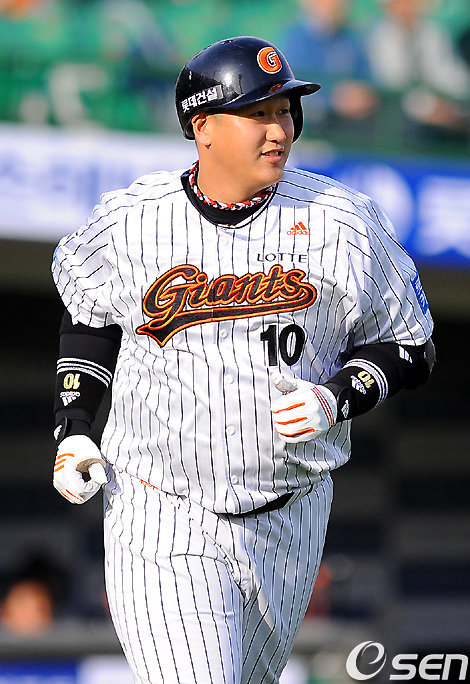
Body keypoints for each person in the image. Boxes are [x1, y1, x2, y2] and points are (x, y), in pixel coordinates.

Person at [51, 36, 435, 684]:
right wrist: (74, 427)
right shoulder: (132, 221)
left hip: (291, 512)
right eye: (257, 113)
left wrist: (338, 396)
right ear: (202, 126)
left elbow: (411, 345)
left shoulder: (342, 220)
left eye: (284, 111)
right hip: (161, 508)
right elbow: (89, 314)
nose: (278, 129)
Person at [366, 0, 470, 142]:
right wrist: (428, 106)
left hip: (442, 107)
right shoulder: (377, 36)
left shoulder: (433, 32)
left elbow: (449, 72)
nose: (408, 7)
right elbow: (393, 82)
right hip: (399, 115)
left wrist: (450, 103)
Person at [278, 0, 378, 137]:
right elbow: (291, 89)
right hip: (312, 130)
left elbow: (367, 79)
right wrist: (333, 99)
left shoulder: (351, 39)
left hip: (353, 127)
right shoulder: (294, 41)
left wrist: (361, 93)